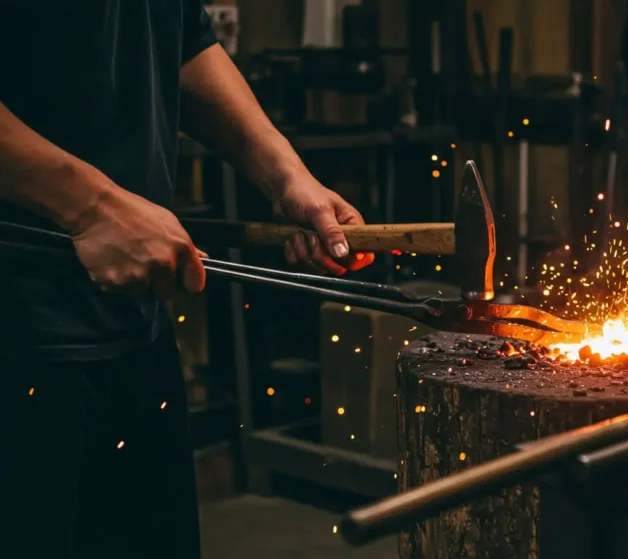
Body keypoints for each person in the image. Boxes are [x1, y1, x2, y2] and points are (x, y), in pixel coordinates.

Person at [0, 2, 372, 557]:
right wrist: (91, 207)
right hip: (17, 337)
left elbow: (182, 40)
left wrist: (286, 174)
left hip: (133, 328)